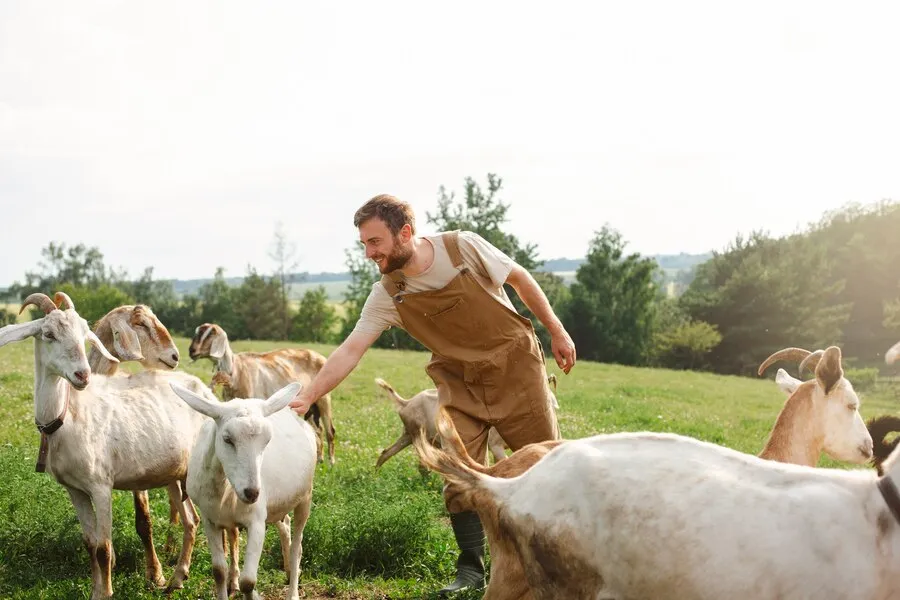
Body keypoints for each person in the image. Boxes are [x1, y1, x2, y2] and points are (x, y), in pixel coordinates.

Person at [289, 193, 576, 595]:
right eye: (364, 245)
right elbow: (351, 350)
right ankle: (472, 569)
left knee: (548, 470)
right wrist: (307, 396)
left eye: (375, 242)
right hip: (459, 382)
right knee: (458, 473)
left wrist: (557, 330)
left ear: (405, 232)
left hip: (516, 370)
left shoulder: (462, 248)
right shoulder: (389, 293)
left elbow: (519, 278)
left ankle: (560, 563)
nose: (369, 253)